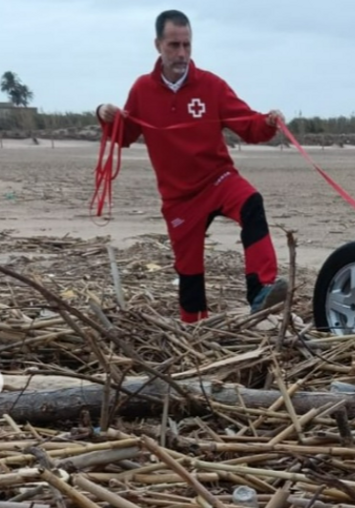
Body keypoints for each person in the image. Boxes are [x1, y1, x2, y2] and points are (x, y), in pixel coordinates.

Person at [96, 9, 288, 323]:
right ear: (157, 45)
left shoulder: (211, 85)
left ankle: (261, 290)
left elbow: (247, 123)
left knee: (252, 202)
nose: (182, 54)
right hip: (179, 197)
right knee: (189, 273)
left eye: (187, 45)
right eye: (174, 45)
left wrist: (268, 122)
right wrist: (106, 115)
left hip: (218, 179)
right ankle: (195, 332)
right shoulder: (142, 89)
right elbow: (126, 133)